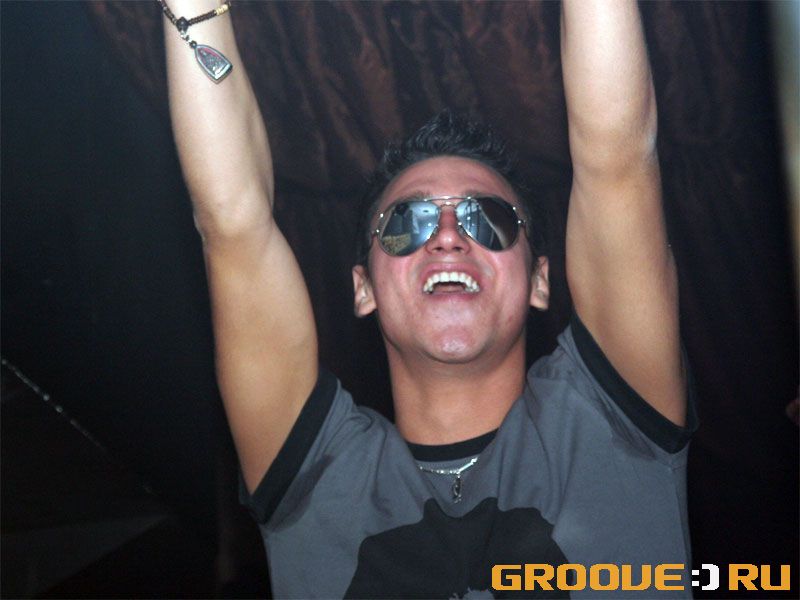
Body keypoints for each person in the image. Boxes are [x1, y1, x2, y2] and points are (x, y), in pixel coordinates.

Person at [163, 0, 697, 596]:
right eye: (406, 222)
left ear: (540, 280)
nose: (447, 236)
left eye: (487, 218)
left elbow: (617, 158)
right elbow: (232, 224)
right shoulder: (320, 479)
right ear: (363, 288)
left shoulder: (609, 423)